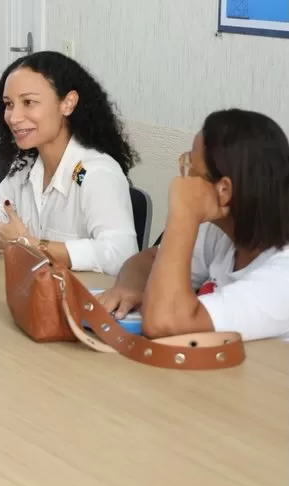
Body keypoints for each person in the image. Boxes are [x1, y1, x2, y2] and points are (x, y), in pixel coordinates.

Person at [100, 109, 289, 341]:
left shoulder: (282, 277)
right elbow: (147, 260)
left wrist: (184, 212)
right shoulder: (223, 233)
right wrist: (130, 286)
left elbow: (164, 322)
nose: (183, 178)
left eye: (190, 168)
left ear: (224, 191)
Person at [0, 51, 138, 275]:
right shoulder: (26, 163)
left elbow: (121, 254)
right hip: (35, 290)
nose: (13, 117)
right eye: (9, 104)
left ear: (68, 103)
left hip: (84, 300)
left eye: (29, 102)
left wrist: (33, 246)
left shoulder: (96, 172)